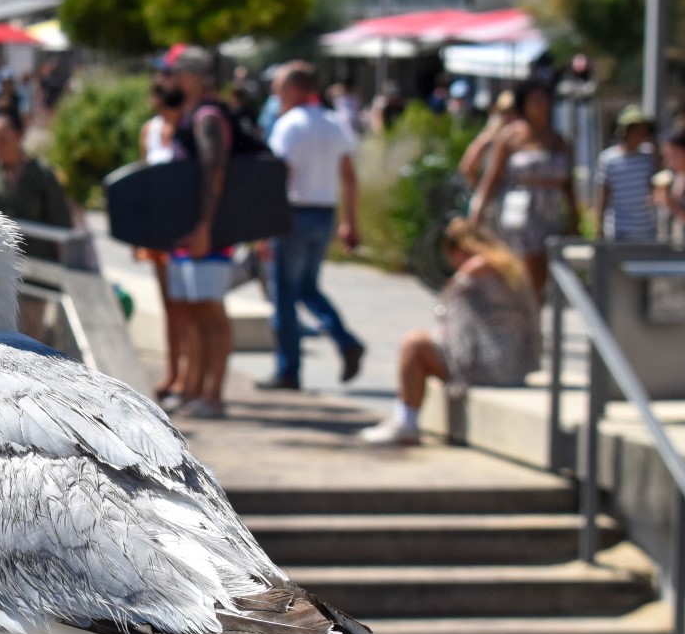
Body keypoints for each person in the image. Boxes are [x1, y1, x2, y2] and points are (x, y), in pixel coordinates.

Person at [361, 218, 540, 445]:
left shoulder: (472, 270)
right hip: (518, 365)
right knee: (422, 344)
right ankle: (402, 419)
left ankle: (405, 421)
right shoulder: (510, 265)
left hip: (488, 365)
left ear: (458, 249)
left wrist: (444, 300)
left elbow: (446, 310)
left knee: (414, 343)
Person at [259, 62, 365, 392]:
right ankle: (345, 340)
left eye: (278, 89)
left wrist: (264, 226)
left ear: (293, 90)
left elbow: (279, 178)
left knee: (285, 295)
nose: (275, 96)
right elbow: (348, 175)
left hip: (291, 215)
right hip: (324, 213)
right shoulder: (332, 123)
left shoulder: (288, 126)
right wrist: (350, 221)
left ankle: (288, 370)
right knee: (307, 287)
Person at [166, 48, 236, 419]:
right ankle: (194, 389)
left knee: (210, 311)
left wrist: (205, 228)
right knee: (193, 312)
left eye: (175, 74)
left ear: (190, 76)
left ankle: (214, 395)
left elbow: (215, 174)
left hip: (207, 232)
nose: (171, 82)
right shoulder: (191, 116)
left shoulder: (208, 117)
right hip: (186, 232)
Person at [470, 80, 579, 297]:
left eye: (544, 99)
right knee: (524, 272)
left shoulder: (557, 141)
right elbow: (492, 178)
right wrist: (477, 214)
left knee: (544, 275)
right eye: (536, 100)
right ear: (524, 104)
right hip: (520, 214)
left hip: (550, 212)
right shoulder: (511, 136)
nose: (542, 104)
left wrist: (574, 218)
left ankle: (533, 321)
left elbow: (568, 185)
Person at [0, 109, 73, 258]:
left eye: (2, 140)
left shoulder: (42, 174)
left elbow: (61, 228)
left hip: (39, 265)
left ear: (20, 136)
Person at [138, 80, 191, 407]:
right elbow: (144, 178)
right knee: (169, 304)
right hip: (159, 226)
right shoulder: (150, 130)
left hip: (182, 226)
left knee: (187, 304)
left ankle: (187, 373)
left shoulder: (187, 129)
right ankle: (173, 371)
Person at [595, 105, 659, 241]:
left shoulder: (649, 156)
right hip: (619, 229)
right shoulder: (608, 159)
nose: (642, 134)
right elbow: (604, 195)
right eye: (637, 130)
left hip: (645, 228)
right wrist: (598, 227)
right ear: (625, 131)